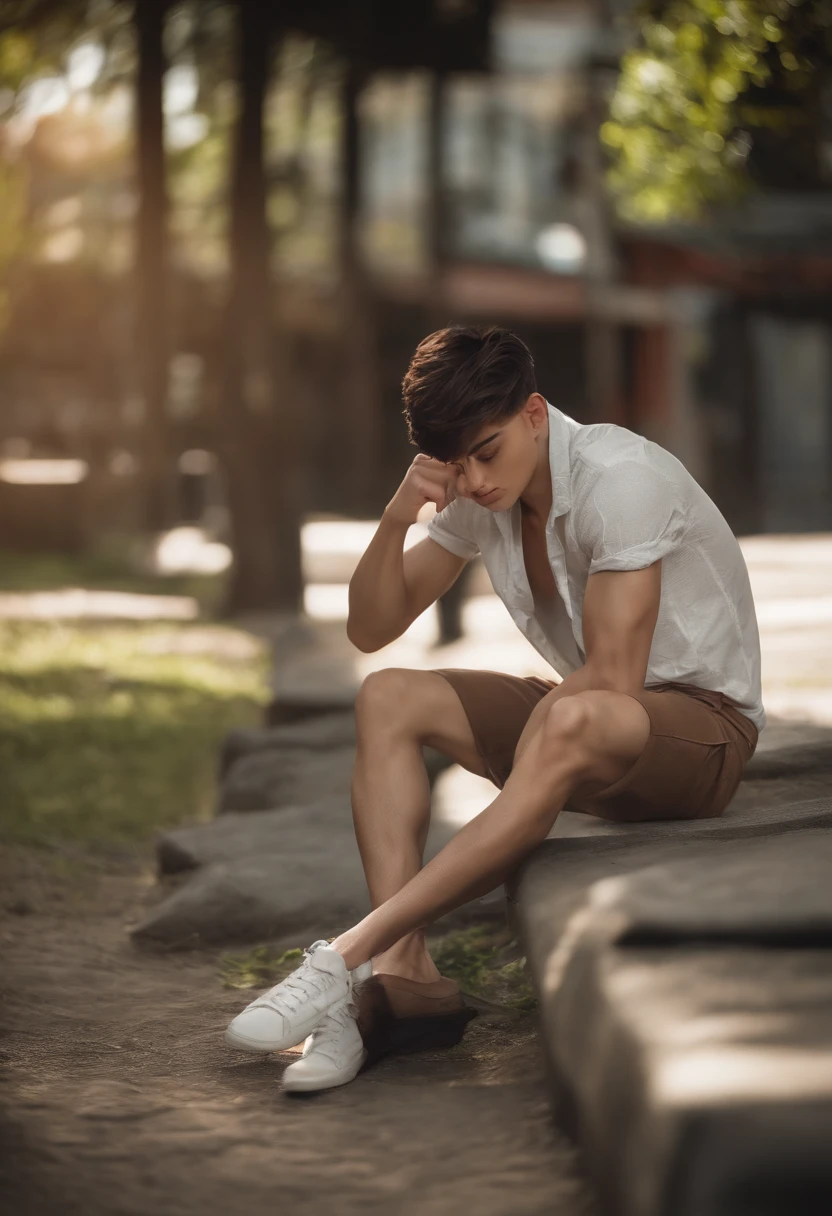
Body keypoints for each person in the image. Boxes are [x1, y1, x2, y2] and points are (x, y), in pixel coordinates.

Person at [225, 324, 765, 1092]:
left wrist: (543, 726)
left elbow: (614, 675)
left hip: (699, 736)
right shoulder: (485, 496)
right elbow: (372, 629)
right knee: (389, 697)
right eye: (458, 462)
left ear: (535, 413)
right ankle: (406, 975)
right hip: (587, 722)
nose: (476, 479)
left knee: (566, 716)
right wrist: (394, 517)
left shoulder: (623, 481)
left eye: (488, 450)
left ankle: (342, 957)